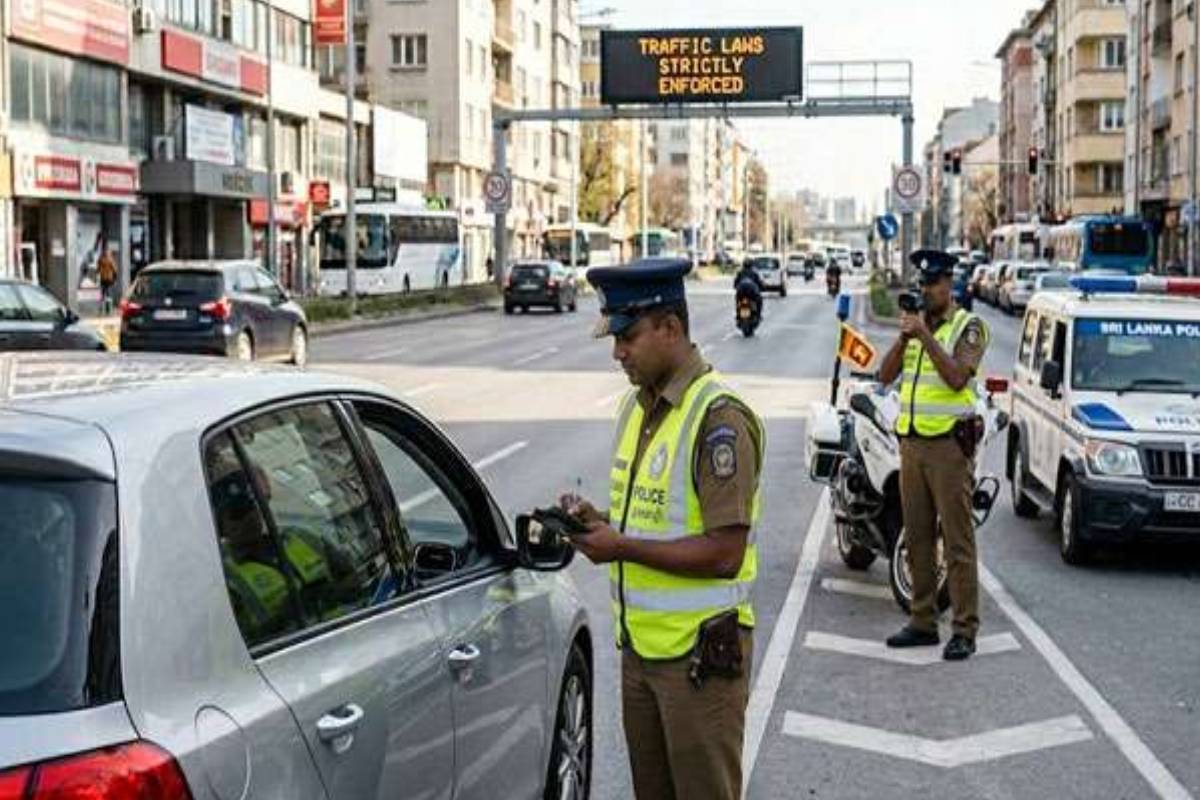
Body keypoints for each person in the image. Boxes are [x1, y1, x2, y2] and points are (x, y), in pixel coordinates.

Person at [561, 258, 765, 800]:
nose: (617, 352)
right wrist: (599, 522)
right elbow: (655, 514)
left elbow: (725, 551)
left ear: (670, 328)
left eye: (626, 335)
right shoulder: (638, 407)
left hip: (700, 662)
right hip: (642, 654)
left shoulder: (718, 419)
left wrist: (620, 546)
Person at [877, 249, 990, 661]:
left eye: (933, 284)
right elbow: (884, 376)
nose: (926, 291)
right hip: (911, 443)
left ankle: (964, 628)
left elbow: (958, 378)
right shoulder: (916, 330)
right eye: (922, 284)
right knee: (918, 536)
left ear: (949, 285)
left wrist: (924, 335)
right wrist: (904, 337)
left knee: (957, 540)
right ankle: (923, 621)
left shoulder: (968, 327)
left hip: (948, 446)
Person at [97, 248, 118, 314]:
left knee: (102, 294)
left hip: (102, 279)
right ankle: (108, 309)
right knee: (109, 294)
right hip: (109, 279)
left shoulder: (100, 260)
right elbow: (115, 270)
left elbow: (98, 270)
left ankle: (101, 309)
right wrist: (115, 278)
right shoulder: (111, 260)